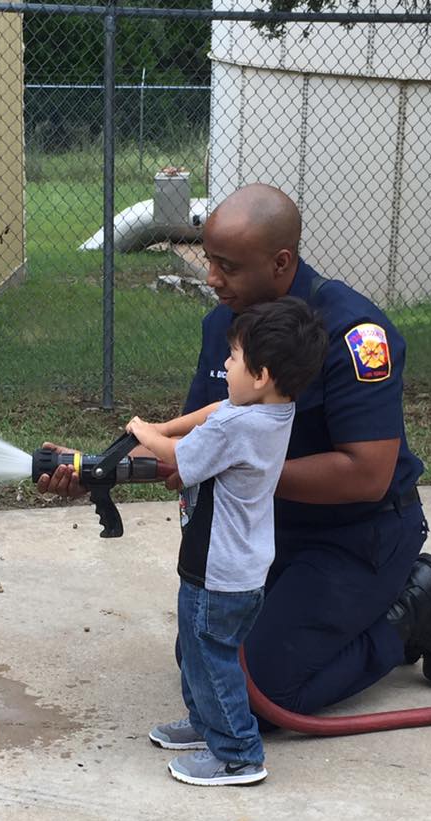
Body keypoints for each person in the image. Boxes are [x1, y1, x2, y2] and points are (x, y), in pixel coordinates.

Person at [37, 183, 431, 730]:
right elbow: (200, 450)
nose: (212, 278)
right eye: (208, 259)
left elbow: (368, 474)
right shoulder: (227, 323)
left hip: (357, 535)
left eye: (227, 265)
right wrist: (98, 468)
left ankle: (411, 607)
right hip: (262, 532)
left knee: (254, 696)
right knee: (201, 664)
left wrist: (248, 474)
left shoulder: (355, 334)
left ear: (281, 262)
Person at [124, 298, 328, 786]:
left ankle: (238, 753)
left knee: (210, 657)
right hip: (232, 566)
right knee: (198, 652)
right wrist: (166, 426)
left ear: (260, 376)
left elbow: (182, 454)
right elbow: (219, 409)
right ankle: (205, 725)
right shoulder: (274, 414)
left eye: (232, 358)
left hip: (219, 572)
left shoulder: (241, 426)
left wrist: (143, 431)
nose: (225, 366)